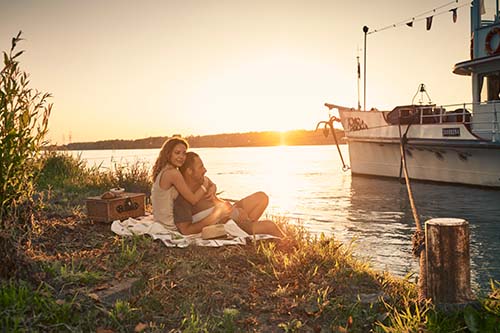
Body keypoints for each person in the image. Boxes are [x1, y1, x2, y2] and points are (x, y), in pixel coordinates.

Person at [173, 151, 284, 238]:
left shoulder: (202, 184)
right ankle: (290, 246)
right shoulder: (183, 197)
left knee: (261, 197)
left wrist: (232, 208)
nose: (205, 170)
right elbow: (186, 230)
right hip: (225, 223)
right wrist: (218, 215)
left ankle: (247, 226)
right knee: (270, 225)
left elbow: (216, 202)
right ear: (189, 171)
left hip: (229, 213)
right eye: (201, 167)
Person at [151, 138, 214, 227]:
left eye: (184, 153)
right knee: (216, 211)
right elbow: (193, 200)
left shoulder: (165, 170)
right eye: (177, 153)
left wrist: (212, 186)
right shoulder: (173, 173)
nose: (181, 157)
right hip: (169, 224)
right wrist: (205, 184)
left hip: (160, 221)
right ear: (168, 154)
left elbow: (200, 180)